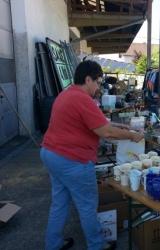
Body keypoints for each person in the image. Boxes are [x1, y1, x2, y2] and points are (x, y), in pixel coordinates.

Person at [40, 60, 143, 250]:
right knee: (87, 206)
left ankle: (52, 245)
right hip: (72, 159)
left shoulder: (66, 94)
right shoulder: (82, 99)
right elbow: (106, 133)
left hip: (51, 154)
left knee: (60, 203)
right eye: (97, 82)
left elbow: (98, 123)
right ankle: (96, 246)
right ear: (88, 79)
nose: (98, 87)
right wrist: (132, 135)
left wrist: (119, 125)